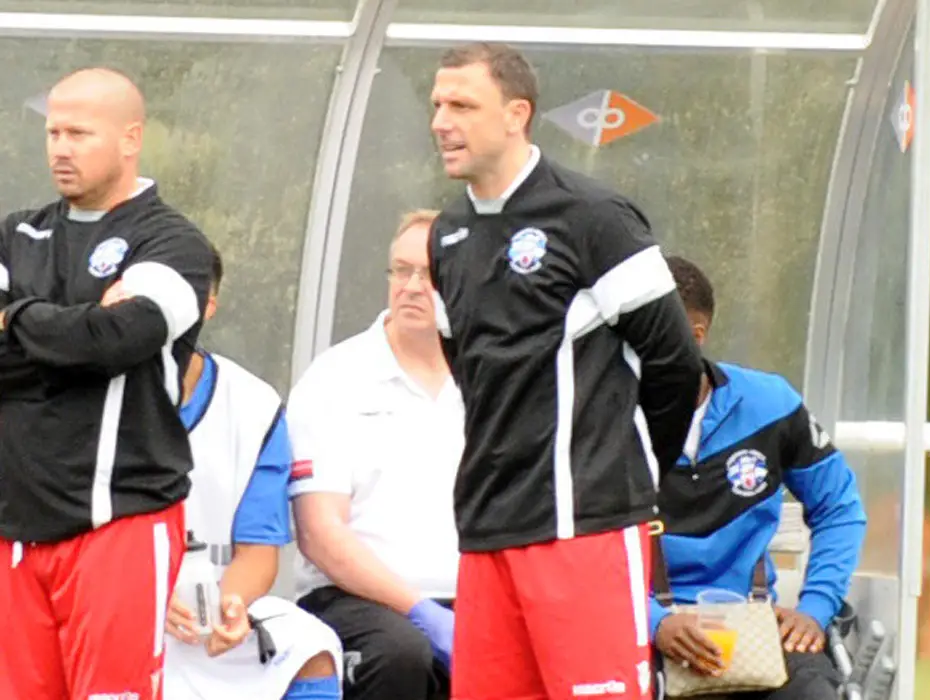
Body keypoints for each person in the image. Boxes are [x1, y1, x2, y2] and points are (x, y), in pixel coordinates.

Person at [427, 42, 703, 700]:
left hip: (586, 529)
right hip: (488, 531)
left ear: (516, 114)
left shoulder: (594, 218)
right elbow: (469, 373)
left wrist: (620, 474)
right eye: (437, 105)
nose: (441, 121)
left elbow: (674, 363)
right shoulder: (447, 238)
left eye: (462, 104)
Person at [0, 67, 215, 699]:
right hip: (16, 531)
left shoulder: (174, 242)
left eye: (79, 133)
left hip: (118, 523)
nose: (60, 148)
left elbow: (117, 341)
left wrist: (15, 316)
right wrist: (80, 328)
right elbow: (94, 342)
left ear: (130, 138)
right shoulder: (15, 234)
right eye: (53, 132)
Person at [647, 255, 868, 699]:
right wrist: (656, 622)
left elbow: (840, 508)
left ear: (694, 335)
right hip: (637, 630)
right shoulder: (604, 421)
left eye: (641, 334)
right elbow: (580, 547)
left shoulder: (770, 404)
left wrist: (815, 609)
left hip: (752, 630)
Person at [155, 244, 343, 700]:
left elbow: (258, 551)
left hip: (208, 615)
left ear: (209, 305)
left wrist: (233, 606)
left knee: (311, 645)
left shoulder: (253, 405)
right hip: (116, 604)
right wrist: (149, 601)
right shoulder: (93, 396)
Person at [290, 209, 463, 700]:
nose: (411, 286)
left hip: (473, 594)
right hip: (357, 600)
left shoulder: (491, 378)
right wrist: (419, 609)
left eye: (429, 274)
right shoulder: (335, 378)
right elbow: (319, 533)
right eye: (401, 270)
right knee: (400, 653)